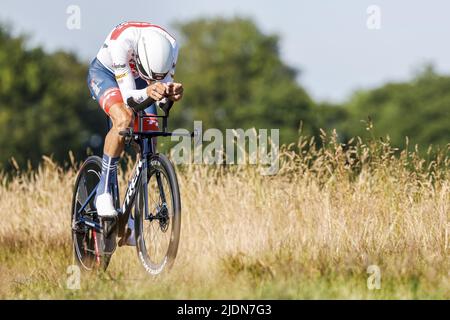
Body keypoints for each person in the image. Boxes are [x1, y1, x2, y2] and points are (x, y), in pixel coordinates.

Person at [87, 21, 184, 245]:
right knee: (124, 119)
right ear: (139, 59)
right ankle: (104, 192)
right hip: (107, 74)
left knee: (150, 137)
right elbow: (130, 98)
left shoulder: (171, 46)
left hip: (140, 80)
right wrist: (150, 89)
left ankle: (129, 217)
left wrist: (170, 94)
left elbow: (160, 95)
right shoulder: (122, 42)